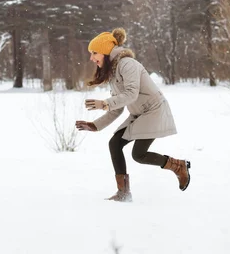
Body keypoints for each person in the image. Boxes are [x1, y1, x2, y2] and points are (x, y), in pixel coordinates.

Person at [75, 28, 190, 202]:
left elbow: (130, 94)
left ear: (106, 52)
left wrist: (104, 103)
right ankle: (123, 193)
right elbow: (117, 108)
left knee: (139, 155)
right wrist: (95, 125)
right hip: (139, 113)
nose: (92, 58)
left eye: (94, 53)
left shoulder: (127, 64)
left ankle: (179, 166)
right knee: (115, 143)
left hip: (153, 111)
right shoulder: (113, 72)